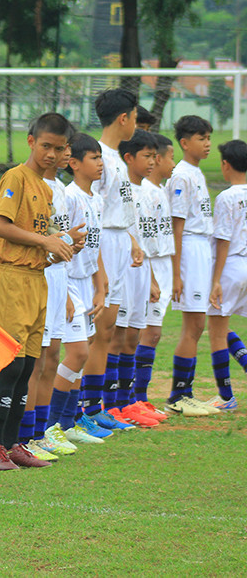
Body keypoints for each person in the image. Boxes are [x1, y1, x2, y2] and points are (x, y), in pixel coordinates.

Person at [0, 113, 74, 471]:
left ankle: (13, 444)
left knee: (29, 366)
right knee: (12, 364)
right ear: (32, 141)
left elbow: (38, 239)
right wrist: (45, 241)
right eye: (46, 145)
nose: (52, 154)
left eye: (59, 148)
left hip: (38, 279)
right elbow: (0, 226)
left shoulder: (46, 187)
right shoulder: (16, 177)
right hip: (12, 279)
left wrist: (63, 244)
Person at [19, 131, 86, 462]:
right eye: (57, 147)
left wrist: (70, 244)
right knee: (35, 360)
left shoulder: (60, 189)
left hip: (59, 277)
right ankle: (26, 435)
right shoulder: (28, 184)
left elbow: (57, 238)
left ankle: (42, 431)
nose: (63, 154)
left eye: (66, 148)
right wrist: (59, 244)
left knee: (51, 356)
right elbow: (29, 236)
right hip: (38, 274)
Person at [44, 133, 109, 451]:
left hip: (86, 282)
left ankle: (69, 423)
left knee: (84, 352)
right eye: (94, 158)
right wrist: (67, 295)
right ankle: (51, 425)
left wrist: (100, 285)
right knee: (77, 352)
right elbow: (62, 244)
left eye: (100, 157)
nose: (101, 163)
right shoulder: (68, 196)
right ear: (75, 163)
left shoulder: (96, 199)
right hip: (67, 280)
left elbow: (94, 246)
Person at [82, 89, 140, 433]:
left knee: (108, 330)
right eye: (134, 117)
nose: (135, 123)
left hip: (119, 242)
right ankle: (83, 409)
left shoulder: (116, 157)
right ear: (123, 118)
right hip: (104, 243)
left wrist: (131, 240)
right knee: (97, 330)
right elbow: (94, 213)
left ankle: (97, 406)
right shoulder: (99, 157)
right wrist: (100, 265)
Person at [108, 130, 164, 427]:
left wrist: (152, 278)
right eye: (147, 156)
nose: (153, 162)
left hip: (142, 269)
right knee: (117, 336)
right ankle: (109, 404)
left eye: (155, 156)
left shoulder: (148, 192)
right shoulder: (122, 189)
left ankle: (127, 402)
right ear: (129, 158)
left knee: (133, 336)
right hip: (124, 268)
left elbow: (144, 241)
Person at [166, 115, 219, 416]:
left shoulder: (196, 173)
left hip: (201, 248)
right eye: (201, 138)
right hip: (189, 250)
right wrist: (177, 273)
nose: (207, 143)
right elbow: (177, 227)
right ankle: (178, 395)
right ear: (185, 143)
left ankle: (186, 392)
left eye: (209, 137)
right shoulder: (182, 176)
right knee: (194, 324)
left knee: (198, 325)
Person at [133, 132, 177, 417]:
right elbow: (139, 238)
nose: (174, 163)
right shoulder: (142, 192)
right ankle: (133, 398)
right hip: (149, 265)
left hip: (162, 263)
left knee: (152, 333)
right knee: (146, 333)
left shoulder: (159, 190)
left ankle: (140, 398)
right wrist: (150, 276)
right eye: (171, 157)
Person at [205, 139, 247, 410]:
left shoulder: (227, 197)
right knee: (222, 327)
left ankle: (225, 396)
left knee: (216, 332)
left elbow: (223, 239)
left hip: (232, 266)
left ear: (225, 165)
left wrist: (216, 279)